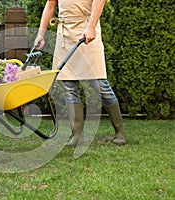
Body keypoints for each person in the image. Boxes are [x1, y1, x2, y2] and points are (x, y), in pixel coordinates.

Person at [34, 0, 126, 146]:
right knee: (69, 86)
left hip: (87, 30)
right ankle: (77, 135)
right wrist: (41, 34)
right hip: (64, 33)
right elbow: (51, 4)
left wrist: (91, 27)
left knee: (100, 85)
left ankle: (119, 132)